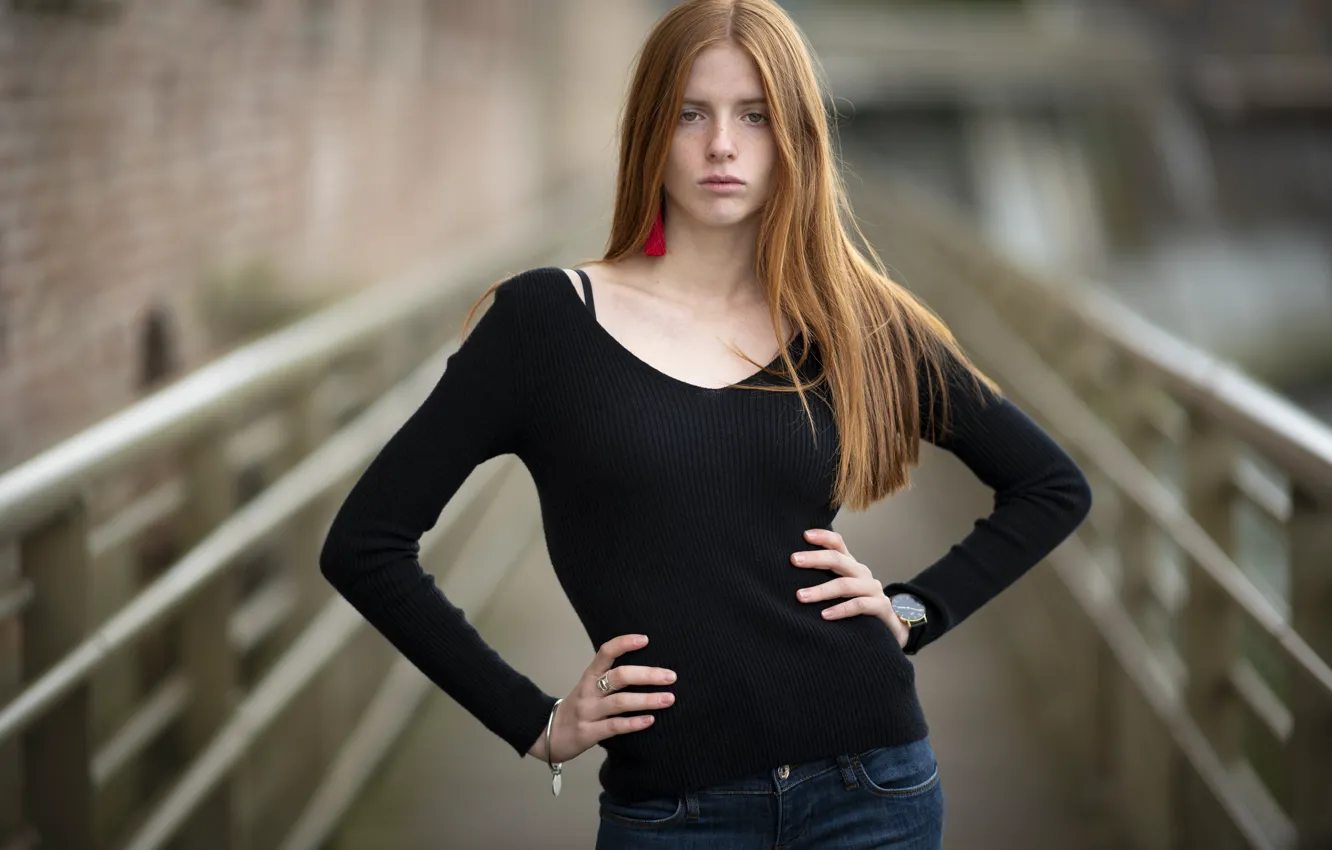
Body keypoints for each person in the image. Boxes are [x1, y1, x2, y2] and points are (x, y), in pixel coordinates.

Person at [319, 1, 1093, 847]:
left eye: (754, 116)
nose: (722, 144)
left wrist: (913, 611)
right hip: (673, 813)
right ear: (652, 128)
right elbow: (367, 543)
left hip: (871, 786)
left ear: (794, 136)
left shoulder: (853, 321)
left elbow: (1050, 485)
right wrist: (534, 720)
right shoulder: (542, 323)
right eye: (693, 113)